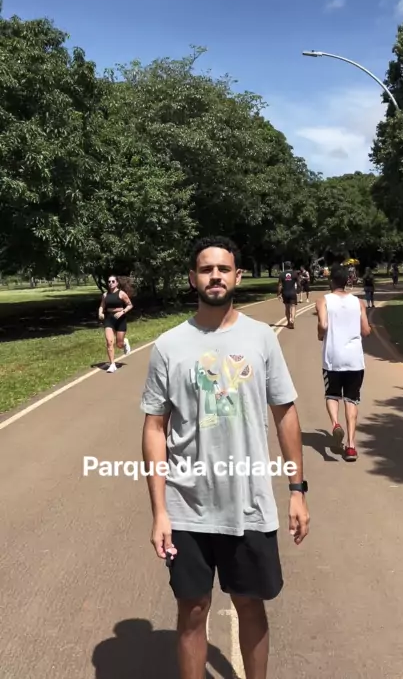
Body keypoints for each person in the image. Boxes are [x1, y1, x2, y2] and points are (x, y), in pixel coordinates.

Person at [141, 237, 309, 679]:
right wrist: (160, 511)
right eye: (205, 269)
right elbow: (154, 427)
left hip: (249, 504)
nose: (214, 276)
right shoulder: (169, 346)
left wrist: (297, 490)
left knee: (250, 605)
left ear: (237, 276)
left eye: (223, 269)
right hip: (187, 508)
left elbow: (285, 413)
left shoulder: (261, 338)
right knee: (193, 609)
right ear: (192, 278)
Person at [316, 264, 371, 463]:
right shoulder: (359, 303)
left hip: (333, 358)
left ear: (330, 281)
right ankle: (351, 446)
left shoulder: (323, 300)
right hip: (354, 359)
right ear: (347, 281)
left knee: (332, 394)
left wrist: (320, 334)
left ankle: (335, 424)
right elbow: (366, 331)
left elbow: (323, 325)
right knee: (351, 399)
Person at [98, 275, 133, 373]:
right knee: (109, 342)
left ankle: (124, 342)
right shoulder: (105, 295)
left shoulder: (121, 294)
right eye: (109, 281)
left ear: (117, 283)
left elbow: (130, 305)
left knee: (119, 344)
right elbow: (102, 306)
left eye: (113, 281)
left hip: (120, 319)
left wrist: (122, 312)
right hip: (109, 319)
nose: (111, 283)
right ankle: (112, 365)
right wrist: (100, 313)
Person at [277, 261, 298, 329]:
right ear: (290, 266)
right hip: (293, 292)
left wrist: (278, 293)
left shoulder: (282, 274)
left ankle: (288, 322)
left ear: (285, 266)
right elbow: (298, 282)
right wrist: (298, 289)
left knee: (287, 307)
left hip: (285, 293)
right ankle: (292, 320)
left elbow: (280, 285)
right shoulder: (295, 274)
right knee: (293, 306)